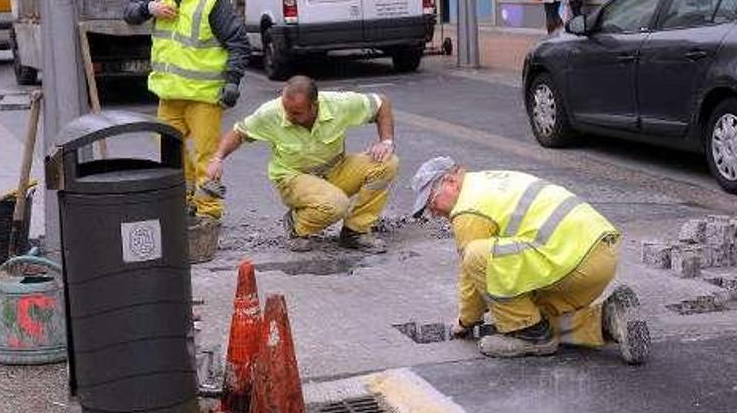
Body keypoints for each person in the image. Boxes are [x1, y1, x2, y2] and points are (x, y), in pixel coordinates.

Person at [409, 157, 650, 364]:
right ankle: (609, 318)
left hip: (570, 263)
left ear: (450, 181)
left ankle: (532, 339)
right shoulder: (487, 180)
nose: (433, 212)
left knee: (478, 259)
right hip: (599, 255)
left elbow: (471, 277)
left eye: (431, 202)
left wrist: (465, 321)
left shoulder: (467, 210)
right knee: (529, 314)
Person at [124, 0, 250, 224]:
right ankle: (186, 200)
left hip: (205, 95)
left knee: (207, 155)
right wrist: (149, 9)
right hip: (170, 93)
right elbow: (129, 13)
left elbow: (239, 44)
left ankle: (209, 213)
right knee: (169, 150)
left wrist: (232, 83)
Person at [206, 76, 399, 253]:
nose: (288, 116)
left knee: (386, 163)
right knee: (336, 204)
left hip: (335, 170)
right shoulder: (271, 112)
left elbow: (382, 103)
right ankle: (298, 226)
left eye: (296, 112)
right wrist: (218, 158)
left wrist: (386, 141)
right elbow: (239, 132)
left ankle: (355, 231)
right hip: (293, 178)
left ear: (314, 105)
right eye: (286, 109)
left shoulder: (338, 104)